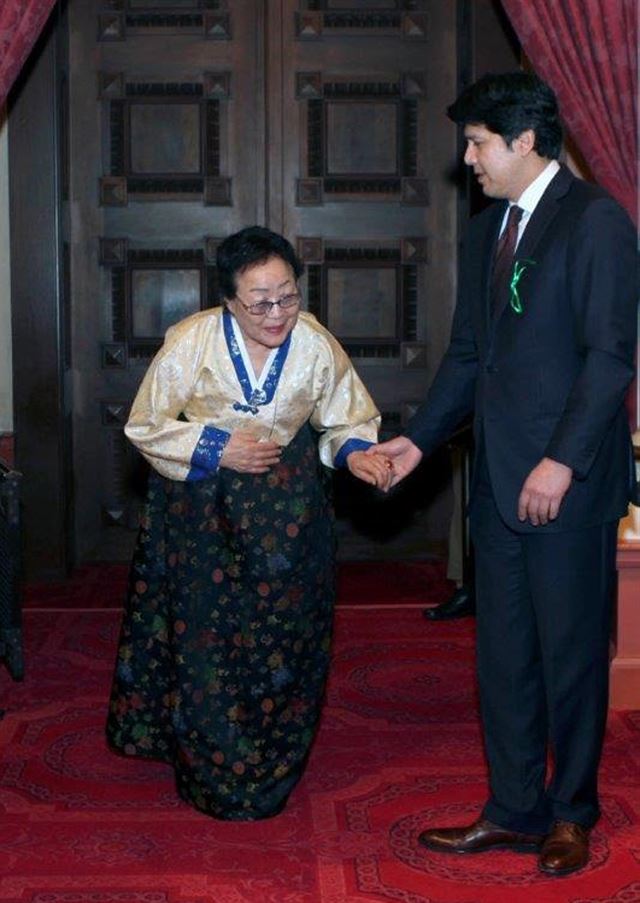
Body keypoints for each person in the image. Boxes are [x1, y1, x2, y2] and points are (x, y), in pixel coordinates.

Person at [370, 71, 638, 875]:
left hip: (567, 484)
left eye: (479, 141)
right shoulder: (488, 229)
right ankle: (514, 807)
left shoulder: (597, 222)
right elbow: (468, 358)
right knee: (505, 656)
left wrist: (562, 459)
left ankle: (572, 811)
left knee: (572, 653)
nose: (469, 157)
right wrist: (417, 442)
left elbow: (609, 357)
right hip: (496, 483)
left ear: (524, 140)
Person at [106, 226, 391, 820]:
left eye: (287, 296)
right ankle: (213, 764)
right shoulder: (192, 339)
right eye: (259, 301)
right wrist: (218, 447)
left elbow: (347, 417)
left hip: (290, 516)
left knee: (288, 632)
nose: (276, 313)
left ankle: (274, 754)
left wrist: (356, 453)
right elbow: (145, 424)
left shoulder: (314, 342)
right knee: (207, 633)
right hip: (204, 511)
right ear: (229, 300)